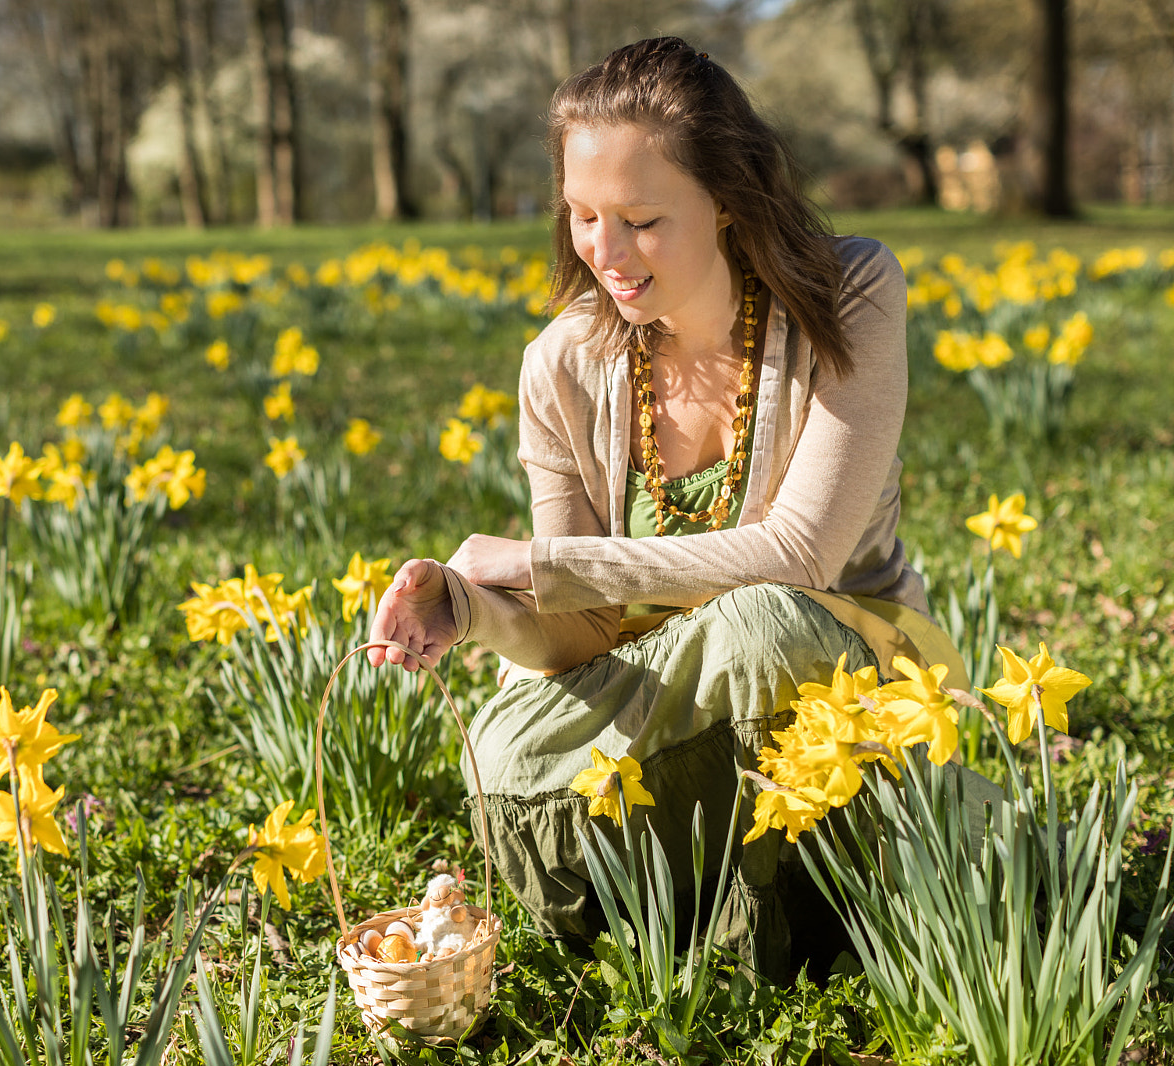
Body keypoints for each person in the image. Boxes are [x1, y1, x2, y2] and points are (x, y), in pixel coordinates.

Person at [366, 37, 974, 977]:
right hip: (660, 687)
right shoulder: (562, 365)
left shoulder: (848, 293)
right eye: (581, 215)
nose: (603, 253)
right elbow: (585, 632)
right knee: (498, 747)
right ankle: (706, 897)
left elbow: (800, 559)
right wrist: (473, 608)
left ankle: (803, 884)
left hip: (837, 664)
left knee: (763, 627)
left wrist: (537, 565)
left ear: (727, 200)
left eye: (642, 220)